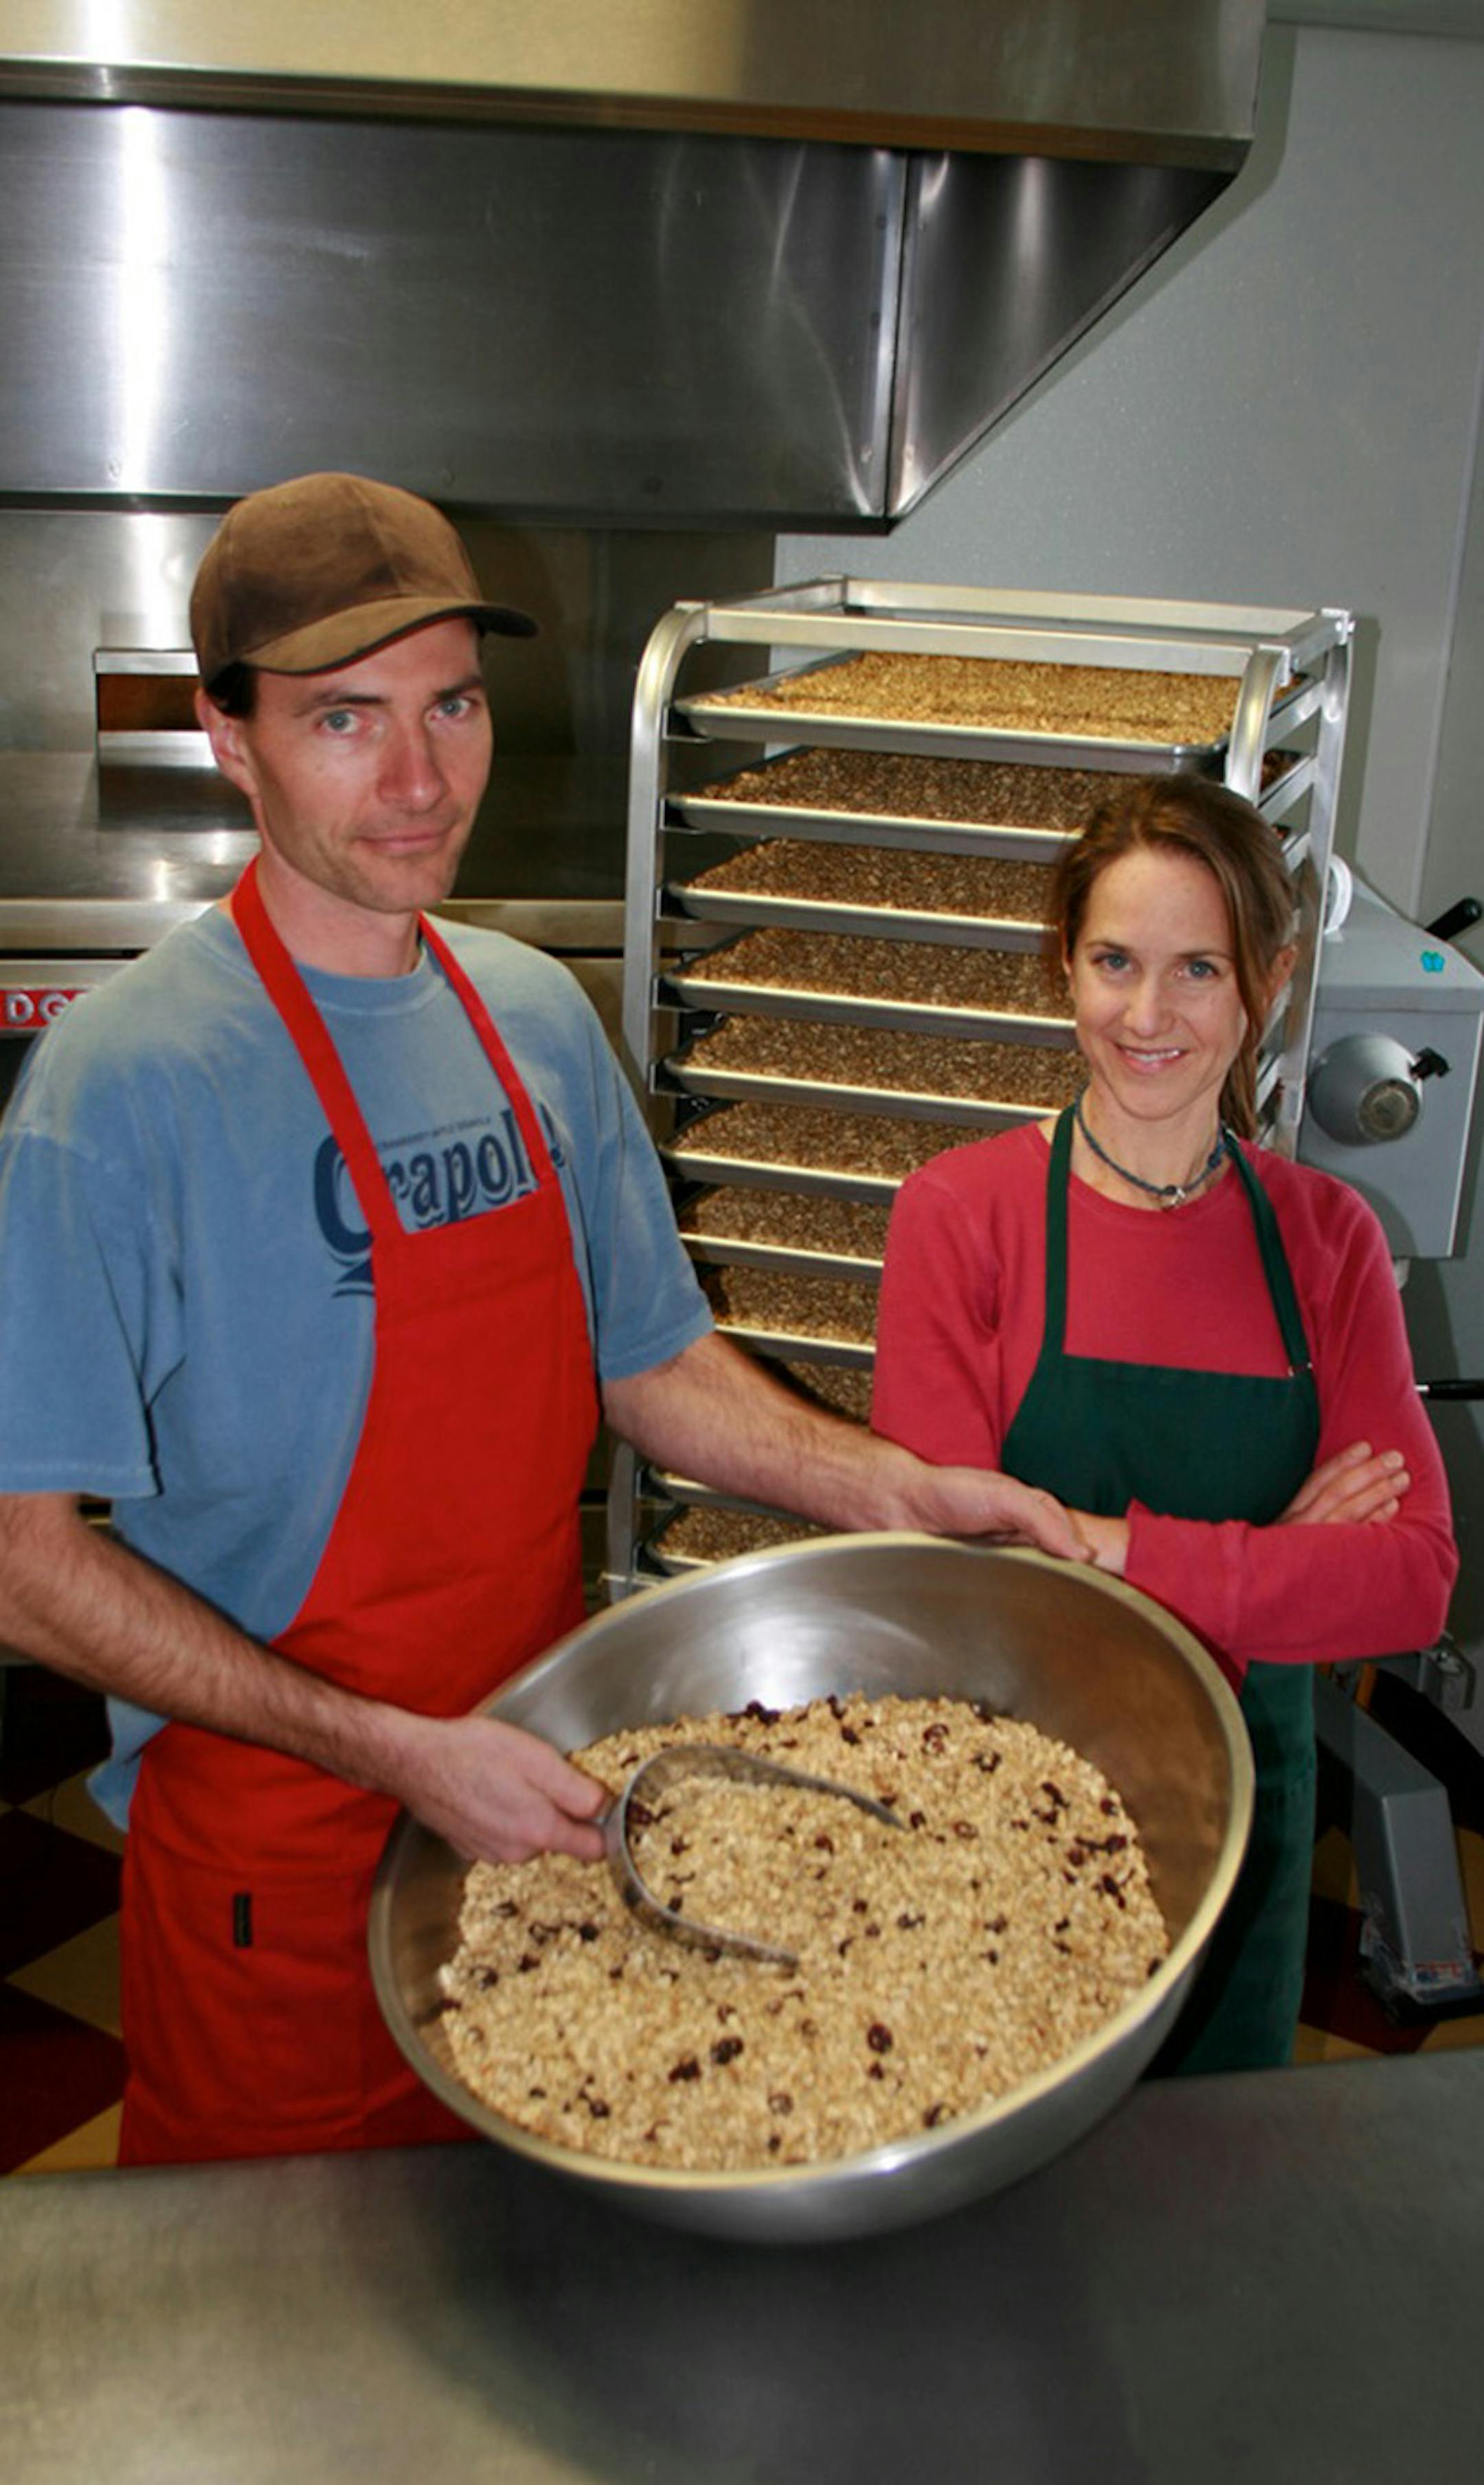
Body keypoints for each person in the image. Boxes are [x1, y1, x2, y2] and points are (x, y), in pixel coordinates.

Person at [0, 471, 1081, 2165]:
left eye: (453, 707)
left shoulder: (534, 1021)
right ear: (232, 738)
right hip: (275, 1873)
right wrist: (394, 1752)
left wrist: (897, 1491)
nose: (421, 779)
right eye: (346, 719)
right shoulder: (122, 1089)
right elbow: (24, 1563)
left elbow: (650, 1364)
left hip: (550, 1813)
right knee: (287, 2366)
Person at [871, 772, 1457, 2074]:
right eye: (1115, 961)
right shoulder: (964, 1218)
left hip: (1248, 1837)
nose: (1150, 1015)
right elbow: (960, 1601)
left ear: (1272, 980)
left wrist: (1094, 1544)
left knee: (1214, 2223)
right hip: (1007, 1834)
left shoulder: (1325, 1240)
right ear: (1062, 966)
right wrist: (1275, 1565)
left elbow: (1414, 1582)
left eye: (1200, 968)